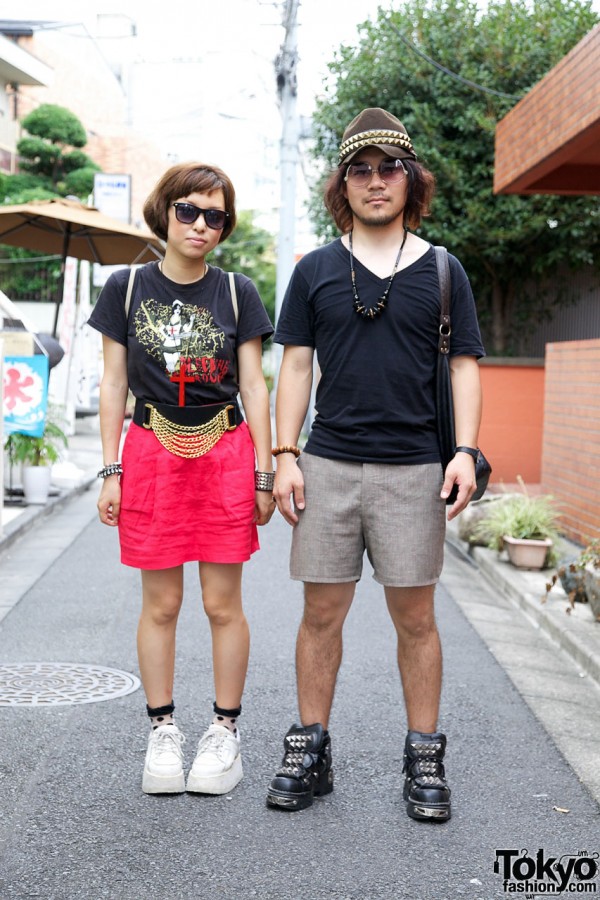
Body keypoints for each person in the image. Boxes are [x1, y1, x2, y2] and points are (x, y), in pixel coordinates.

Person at [266, 108, 485, 821]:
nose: (376, 181)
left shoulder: (444, 270)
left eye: (390, 167)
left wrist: (464, 452)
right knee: (320, 613)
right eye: (360, 169)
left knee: (415, 617)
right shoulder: (315, 271)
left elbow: (464, 366)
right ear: (343, 186)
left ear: (411, 179)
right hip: (327, 464)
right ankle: (310, 747)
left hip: (413, 470)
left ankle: (424, 756)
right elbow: (295, 365)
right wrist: (285, 455)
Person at [88, 162, 274, 796]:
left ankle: (224, 733)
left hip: (224, 450)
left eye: (215, 216)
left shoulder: (236, 292)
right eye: (189, 210)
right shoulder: (127, 287)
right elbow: (114, 383)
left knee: (223, 604)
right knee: (161, 604)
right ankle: (162, 730)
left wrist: (264, 469)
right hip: (149, 451)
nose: (201, 224)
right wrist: (110, 467)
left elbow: (254, 383)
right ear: (165, 211)